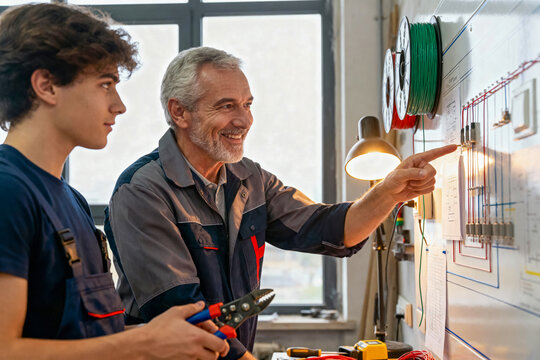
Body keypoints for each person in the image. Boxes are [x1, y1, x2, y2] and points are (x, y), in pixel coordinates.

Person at [105, 46, 457, 360]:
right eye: (227, 106)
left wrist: (390, 192)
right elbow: (185, 316)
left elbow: (331, 230)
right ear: (179, 112)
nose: (244, 120)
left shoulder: (250, 179)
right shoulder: (141, 193)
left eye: (247, 104)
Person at [0, 5, 229, 360]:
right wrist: (143, 343)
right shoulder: (8, 193)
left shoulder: (70, 200)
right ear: (46, 85)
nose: (119, 105)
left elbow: (77, 336)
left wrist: (158, 334)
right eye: (105, 84)